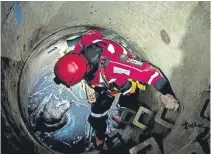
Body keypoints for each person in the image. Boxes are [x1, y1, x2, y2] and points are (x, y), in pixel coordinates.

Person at [53, 30, 179, 149]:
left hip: (120, 83)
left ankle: (118, 114)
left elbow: (149, 73)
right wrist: (67, 44)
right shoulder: (81, 48)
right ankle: (100, 136)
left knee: (124, 100)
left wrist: (167, 93)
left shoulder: (112, 65)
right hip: (102, 82)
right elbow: (93, 33)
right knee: (96, 118)